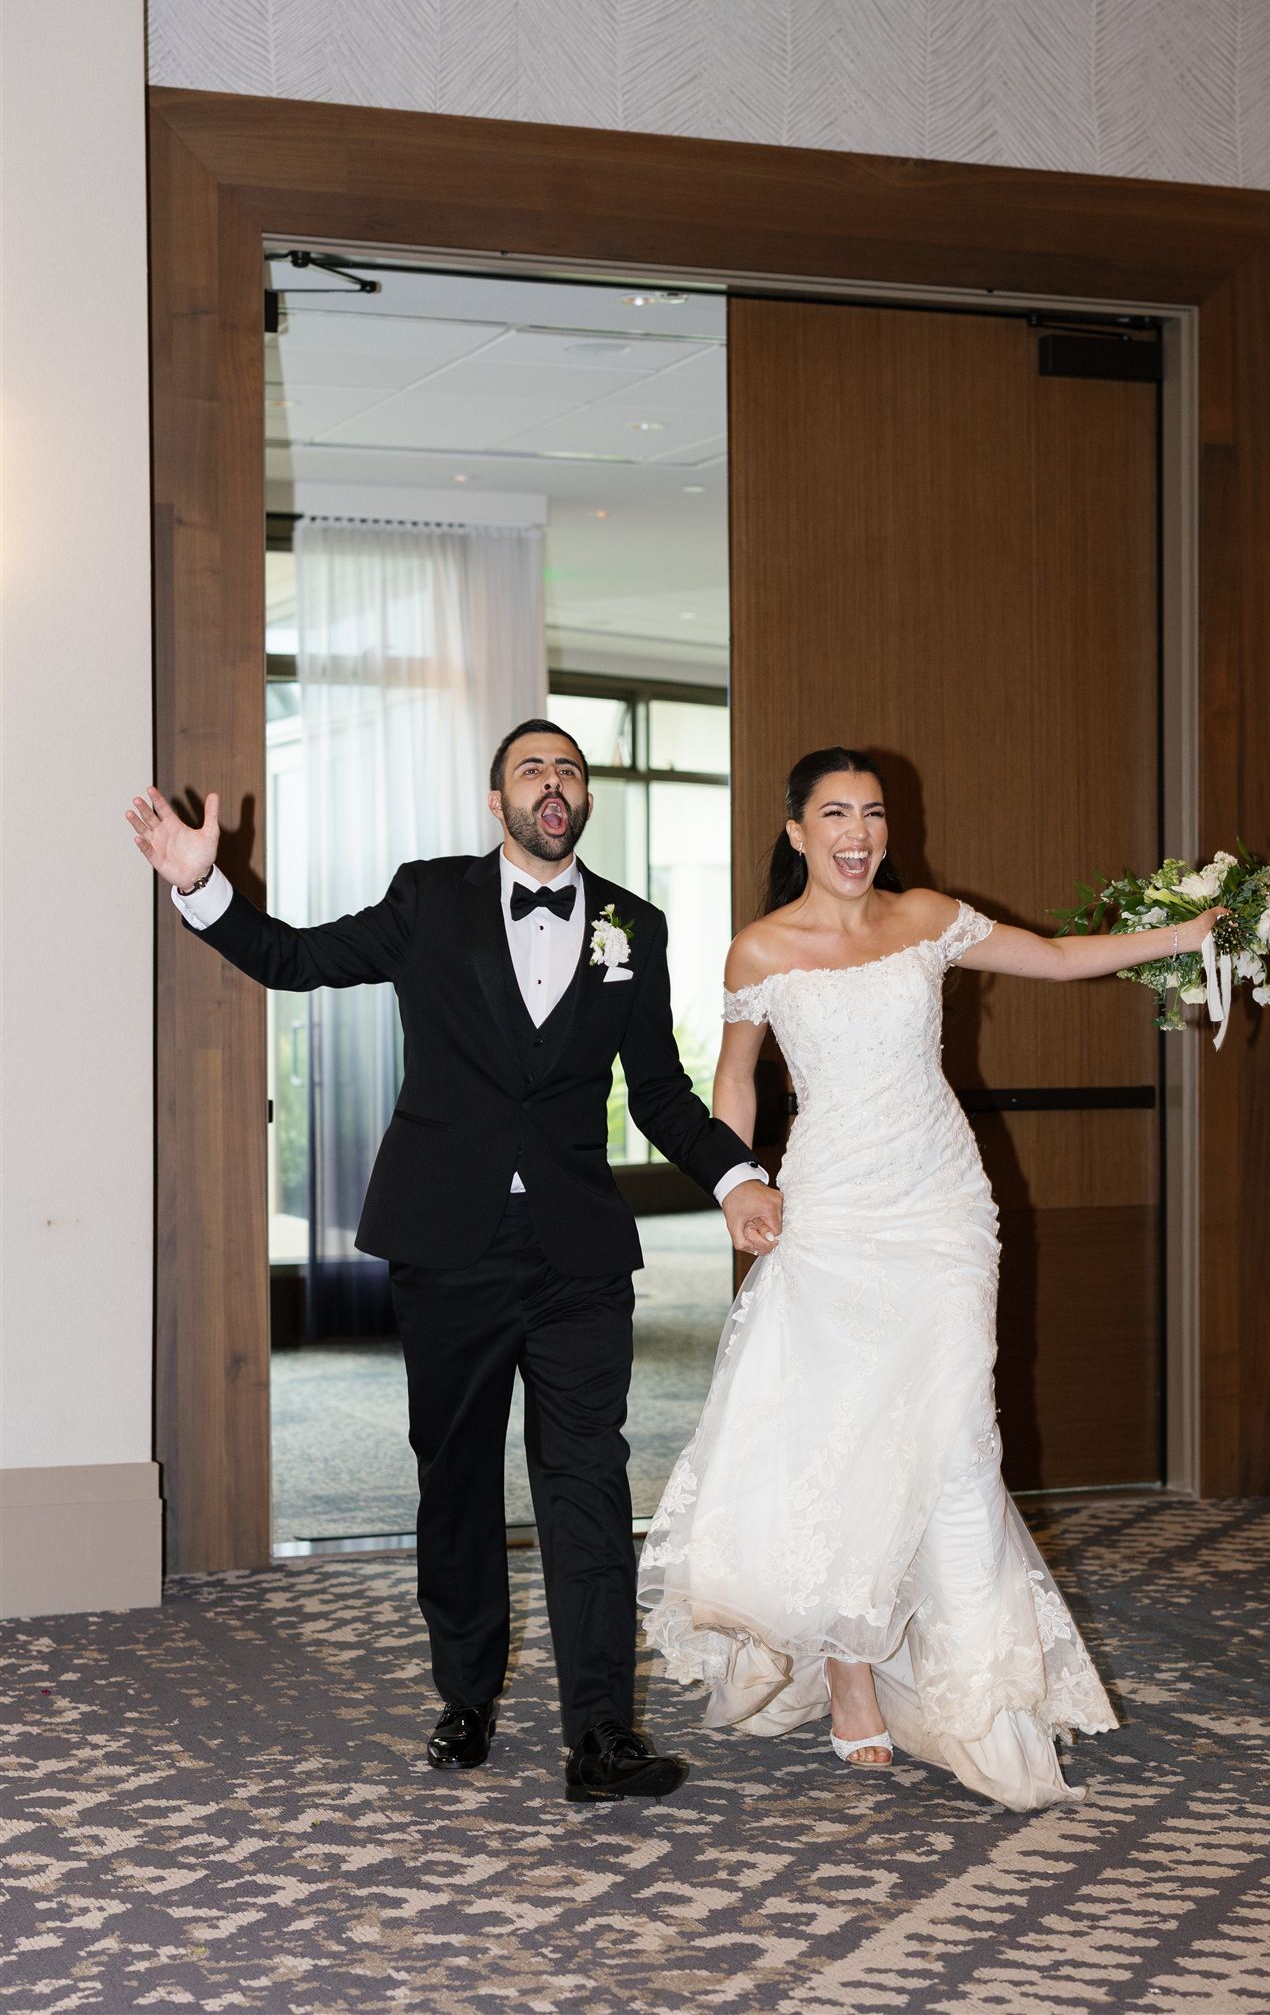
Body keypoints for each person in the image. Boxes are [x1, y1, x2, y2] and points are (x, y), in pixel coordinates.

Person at [126, 719, 783, 1804]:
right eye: (533, 768)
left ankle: (603, 1734)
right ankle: (467, 1692)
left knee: (586, 1480)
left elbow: (660, 1088)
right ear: (497, 801)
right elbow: (295, 959)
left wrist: (734, 1176)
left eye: (570, 768)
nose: (555, 782)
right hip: (449, 1245)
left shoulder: (634, 922)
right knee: (460, 1480)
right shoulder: (427, 897)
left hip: (575, 1247)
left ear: (585, 797)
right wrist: (204, 890)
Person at [638, 745, 1226, 1811]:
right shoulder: (761, 948)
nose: (855, 832)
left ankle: (980, 1698)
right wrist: (738, 1187)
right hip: (832, 1214)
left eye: (871, 813)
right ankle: (851, 1673)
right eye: (833, 813)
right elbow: (733, 1082)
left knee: (957, 1438)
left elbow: (1050, 955)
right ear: (797, 831)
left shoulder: (929, 918)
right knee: (844, 1435)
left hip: (946, 1208)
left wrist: (1180, 936)